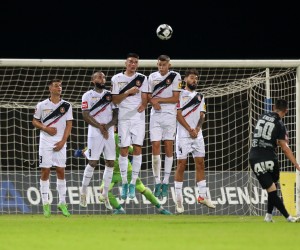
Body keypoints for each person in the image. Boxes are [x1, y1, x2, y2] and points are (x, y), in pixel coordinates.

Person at [75, 130, 172, 215]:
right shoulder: (101, 139)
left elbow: (133, 150)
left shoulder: (118, 138)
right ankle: (120, 209)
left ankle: (161, 208)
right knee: (103, 192)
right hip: (111, 171)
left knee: (142, 189)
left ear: (115, 129)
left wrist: (134, 158)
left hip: (127, 170)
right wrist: (81, 152)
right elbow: (89, 151)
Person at [249, 99, 300, 222]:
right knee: (272, 189)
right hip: (270, 158)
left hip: (254, 157)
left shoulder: (262, 116)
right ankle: (289, 217)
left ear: (273, 107)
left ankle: (268, 215)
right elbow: (285, 147)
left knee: (271, 188)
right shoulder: (280, 124)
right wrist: (296, 164)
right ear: (286, 111)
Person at [174, 69, 215, 214]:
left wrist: (197, 129)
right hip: (183, 135)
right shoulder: (179, 95)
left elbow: (202, 115)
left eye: (196, 78)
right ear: (185, 79)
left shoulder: (200, 96)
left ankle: (202, 196)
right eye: (192, 78)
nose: (194, 80)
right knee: (181, 164)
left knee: (200, 163)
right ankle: (179, 199)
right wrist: (189, 129)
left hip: (197, 135)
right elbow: (177, 115)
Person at [32, 79, 73, 218]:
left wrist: (63, 141)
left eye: (60, 86)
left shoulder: (67, 106)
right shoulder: (42, 105)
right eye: (56, 86)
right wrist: (45, 128)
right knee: (45, 171)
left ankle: (62, 203)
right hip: (45, 142)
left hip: (61, 142)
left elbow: (69, 125)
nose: (59, 88)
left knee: (61, 171)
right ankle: (45, 204)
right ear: (50, 88)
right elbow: (35, 121)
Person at [111, 53, 148, 200]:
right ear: (125, 63)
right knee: (124, 149)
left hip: (138, 118)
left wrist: (144, 104)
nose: (133, 64)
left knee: (138, 148)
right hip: (124, 118)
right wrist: (128, 92)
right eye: (131, 62)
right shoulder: (116, 79)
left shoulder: (142, 78)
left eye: (136, 62)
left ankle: (133, 183)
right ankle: (125, 183)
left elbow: (145, 97)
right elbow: (115, 100)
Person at [79, 71, 118, 210]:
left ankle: (105, 194)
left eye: (103, 77)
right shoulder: (87, 95)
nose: (102, 78)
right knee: (93, 162)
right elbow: (85, 115)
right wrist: (100, 127)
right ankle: (83, 191)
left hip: (108, 132)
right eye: (98, 77)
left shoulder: (110, 95)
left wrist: (107, 127)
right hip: (94, 132)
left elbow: (116, 114)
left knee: (110, 162)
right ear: (92, 80)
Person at [148, 55, 182, 198]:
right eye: (159, 65)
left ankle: (165, 182)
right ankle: (157, 182)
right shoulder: (152, 77)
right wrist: (152, 101)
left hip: (169, 115)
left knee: (168, 147)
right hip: (155, 115)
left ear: (169, 65)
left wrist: (158, 99)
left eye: (164, 65)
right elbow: (148, 95)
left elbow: (176, 98)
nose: (161, 67)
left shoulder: (175, 76)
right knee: (155, 145)